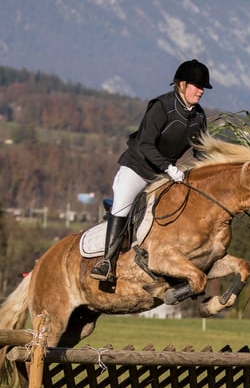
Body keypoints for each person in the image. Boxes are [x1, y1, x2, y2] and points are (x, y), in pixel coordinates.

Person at [90, 59, 212, 283]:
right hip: (137, 168)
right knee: (123, 206)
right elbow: (146, 144)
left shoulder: (199, 117)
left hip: (165, 175)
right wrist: (169, 168)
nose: (201, 91)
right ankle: (107, 262)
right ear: (181, 85)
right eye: (197, 86)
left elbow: (200, 153)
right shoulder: (161, 107)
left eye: (203, 87)